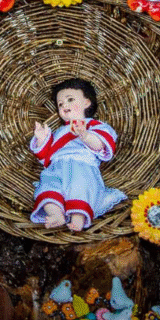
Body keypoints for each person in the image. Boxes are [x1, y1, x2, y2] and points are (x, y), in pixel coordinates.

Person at [30, 78, 126, 232]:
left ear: (87, 103)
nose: (64, 105)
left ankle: (78, 218)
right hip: (56, 167)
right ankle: (56, 215)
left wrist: (85, 135)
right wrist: (41, 139)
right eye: (60, 104)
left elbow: (102, 146)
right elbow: (45, 157)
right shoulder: (58, 132)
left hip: (81, 165)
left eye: (70, 99)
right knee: (46, 187)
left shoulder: (94, 125)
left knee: (80, 187)